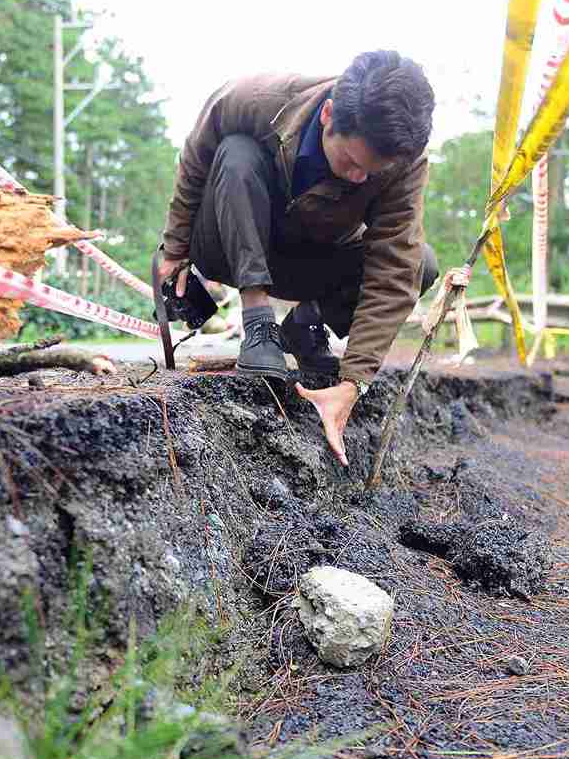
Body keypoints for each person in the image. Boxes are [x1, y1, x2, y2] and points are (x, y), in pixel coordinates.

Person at [156, 50, 446, 467]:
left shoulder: (404, 163)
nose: (358, 178)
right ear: (328, 114)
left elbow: (395, 265)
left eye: (372, 172)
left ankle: (304, 324)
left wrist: (353, 383)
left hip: (312, 259)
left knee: (422, 261)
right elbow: (196, 159)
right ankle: (259, 326)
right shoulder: (257, 98)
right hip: (231, 237)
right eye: (350, 161)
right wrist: (175, 246)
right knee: (236, 153)